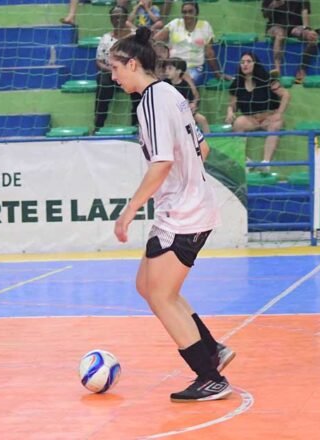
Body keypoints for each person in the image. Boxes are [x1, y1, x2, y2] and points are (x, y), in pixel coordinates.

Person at [108, 27, 235, 402]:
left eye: (115, 68)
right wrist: (185, 183)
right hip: (182, 208)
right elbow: (204, 148)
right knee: (148, 287)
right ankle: (212, 349)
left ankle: (210, 376)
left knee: (161, 296)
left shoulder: (150, 101)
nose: (113, 77)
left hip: (184, 214)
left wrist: (129, 211)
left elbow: (162, 162)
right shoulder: (170, 93)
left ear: (133, 64)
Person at [225, 52, 290, 165]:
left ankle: (266, 162)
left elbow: (286, 95)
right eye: (242, 62)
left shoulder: (266, 79)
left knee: (276, 124)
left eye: (248, 61)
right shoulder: (237, 84)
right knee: (238, 123)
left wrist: (279, 113)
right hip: (251, 120)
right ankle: (244, 161)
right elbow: (232, 105)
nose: (245, 64)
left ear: (255, 64)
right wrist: (230, 112)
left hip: (268, 118)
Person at [154, 1, 230, 85]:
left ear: (196, 12)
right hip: (173, 67)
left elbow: (209, 53)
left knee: (184, 82)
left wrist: (218, 74)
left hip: (195, 68)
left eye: (190, 11)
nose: (187, 15)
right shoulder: (175, 24)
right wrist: (163, 57)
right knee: (164, 81)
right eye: (184, 12)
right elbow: (155, 41)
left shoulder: (205, 26)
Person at [93, 5, 138, 133]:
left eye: (120, 17)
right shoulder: (106, 38)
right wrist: (112, 70)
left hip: (131, 71)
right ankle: (98, 125)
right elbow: (99, 61)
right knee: (103, 84)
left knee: (138, 85)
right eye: (114, 17)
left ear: (126, 18)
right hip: (111, 72)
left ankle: (137, 125)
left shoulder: (134, 36)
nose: (117, 19)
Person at [261, 0, 318, 83]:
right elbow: (265, 15)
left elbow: (304, 12)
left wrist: (307, 29)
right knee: (280, 35)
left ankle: (302, 70)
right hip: (275, 26)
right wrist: (273, 5)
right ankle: (277, 70)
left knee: (312, 37)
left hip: (294, 27)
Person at [164, 57, 209, 134]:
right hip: (168, 113)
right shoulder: (164, 84)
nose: (166, 71)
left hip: (183, 111)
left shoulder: (185, 85)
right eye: (166, 69)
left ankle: (209, 140)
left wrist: (191, 107)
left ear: (178, 71)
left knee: (202, 119)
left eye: (170, 69)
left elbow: (190, 101)